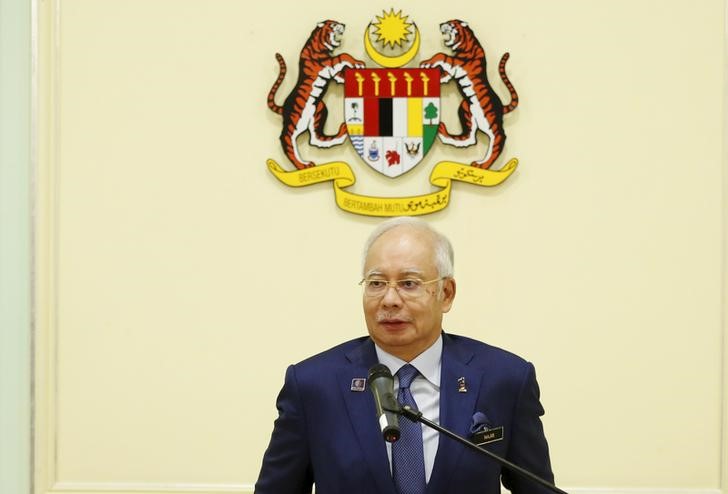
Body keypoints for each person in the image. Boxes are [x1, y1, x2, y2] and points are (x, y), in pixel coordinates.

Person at [255, 217, 554, 494]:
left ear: (446, 293)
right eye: (376, 283)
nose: (389, 299)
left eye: (409, 283)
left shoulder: (504, 380)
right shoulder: (312, 386)